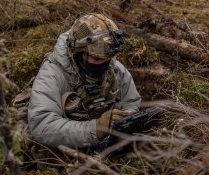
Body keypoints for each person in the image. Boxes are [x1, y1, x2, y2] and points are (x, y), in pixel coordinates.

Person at [27, 13, 141, 153]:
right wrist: (96, 128)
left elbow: (132, 103)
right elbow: (41, 126)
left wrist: (124, 121)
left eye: (108, 57)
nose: (104, 63)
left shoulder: (115, 69)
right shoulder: (52, 75)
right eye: (96, 59)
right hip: (64, 153)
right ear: (78, 52)